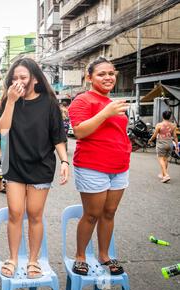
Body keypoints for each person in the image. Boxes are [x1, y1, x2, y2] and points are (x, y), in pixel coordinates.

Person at [0, 57, 69, 279]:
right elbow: (3, 130)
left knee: (35, 215)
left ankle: (33, 260)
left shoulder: (48, 102)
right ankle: (13, 258)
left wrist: (65, 161)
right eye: (15, 78)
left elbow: (57, 136)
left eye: (23, 77)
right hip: (14, 165)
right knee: (15, 213)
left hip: (41, 166)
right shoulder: (8, 100)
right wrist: (10, 101)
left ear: (34, 79)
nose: (18, 81)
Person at [68, 56, 131, 276]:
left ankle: (105, 255)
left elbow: (118, 132)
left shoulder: (114, 102)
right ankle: (80, 256)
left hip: (120, 165)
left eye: (111, 73)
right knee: (92, 214)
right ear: (89, 77)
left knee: (110, 212)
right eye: (101, 74)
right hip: (92, 166)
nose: (107, 77)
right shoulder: (82, 100)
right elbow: (80, 131)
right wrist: (106, 112)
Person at [148, 110, 179, 183]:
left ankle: (166, 175)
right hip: (170, 143)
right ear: (170, 117)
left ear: (162, 116)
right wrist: (177, 146)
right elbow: (175, 136)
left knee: (161, 159)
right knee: (165, 159)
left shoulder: (159, 125)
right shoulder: (173, 125)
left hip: (161, 144)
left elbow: (155, 135)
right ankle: (162, 174)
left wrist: (150, 140)